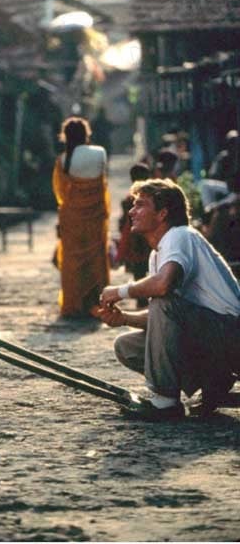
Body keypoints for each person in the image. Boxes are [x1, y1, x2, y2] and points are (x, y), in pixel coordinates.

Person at [93, 178, 240, 422]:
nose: (132, 211)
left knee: (163, 302)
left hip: (231, 334)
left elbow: (163, 288)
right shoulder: (159, 252)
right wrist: (124, 318)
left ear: (162, 214)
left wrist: (119, 291)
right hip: (213, 336)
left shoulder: (179, 235)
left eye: (140, 205)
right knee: (126, 346)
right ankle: (212, 380)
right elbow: (164, 320)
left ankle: (165, 403)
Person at [52, 116, 110, 318]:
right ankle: (95, 303)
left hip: (71, 218)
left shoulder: (63, 159)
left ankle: (74, 305)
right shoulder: (99, 153)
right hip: (95, 217)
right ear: (87, 134)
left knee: (72, 264)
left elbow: (60, 194)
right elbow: (104, 186)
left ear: (65, 136)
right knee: (96, 261)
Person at [116, 162, 151, 308]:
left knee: (139, 269)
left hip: (135, 236)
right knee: (147, 266)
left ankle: (141, 298)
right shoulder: (152, 194)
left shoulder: (129, 198)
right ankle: (145, 297)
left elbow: (125, 218)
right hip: (146, 235)